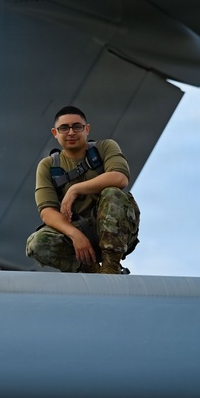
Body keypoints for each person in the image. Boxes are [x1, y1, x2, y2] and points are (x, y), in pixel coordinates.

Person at [25, 106, 139, 274]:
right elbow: (47, 211)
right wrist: (75, 235)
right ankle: (91, 270)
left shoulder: (105, 147)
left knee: (113, 194)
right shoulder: (48, 166)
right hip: (78, 233)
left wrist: (75, 190)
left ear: (87, 129)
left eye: (77, 127)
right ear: (55, 133)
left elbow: (119, 178)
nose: (71, 132)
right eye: (64, 128)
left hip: (115, 230)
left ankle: (110, 268)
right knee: (36, 244)